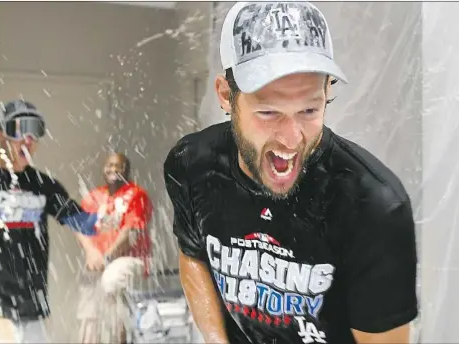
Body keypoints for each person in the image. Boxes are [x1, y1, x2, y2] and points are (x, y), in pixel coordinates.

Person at [163, 2, 418, 344]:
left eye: (309, 109)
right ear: (226, 95)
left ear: (328, 90)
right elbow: (193, 255)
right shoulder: (192, 165)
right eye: (268, 112)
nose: (291, 138)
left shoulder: (371, 205)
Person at [0, 100, 99, 343]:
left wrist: (91, 249)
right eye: (18, 129)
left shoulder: (42, 183)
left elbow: (73, 217)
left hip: (31, 306)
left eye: (35, 130)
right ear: (0, 134)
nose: (27, 139)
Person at [77, 152, 153, 344]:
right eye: (109, 165)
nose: (113, 170)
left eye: (118, 166)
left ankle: (118, 339)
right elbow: (79, 227)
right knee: (88, 303)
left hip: (130, 259)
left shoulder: (136, 194)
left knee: (110, 281)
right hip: (100, 261)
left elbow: (130, 234)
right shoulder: (95, 197)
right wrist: (91, 252)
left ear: (126, 170)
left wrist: (106, 258)